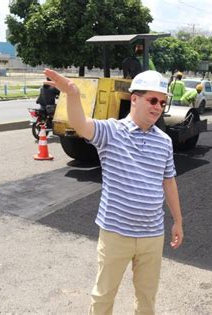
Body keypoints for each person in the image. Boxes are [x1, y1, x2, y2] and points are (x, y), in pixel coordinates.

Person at [43, 68, 184, 315]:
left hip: (152, 234)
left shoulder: (164, 141)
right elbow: (80, 124)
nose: (158, 107)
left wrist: (178, 221)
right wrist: (73, 95)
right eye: (152, 100)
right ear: (135, 99)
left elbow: (168, 181)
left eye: (162, 102)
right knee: (103, 296)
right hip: (116, 233)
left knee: (147, 298)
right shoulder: (111, 132)